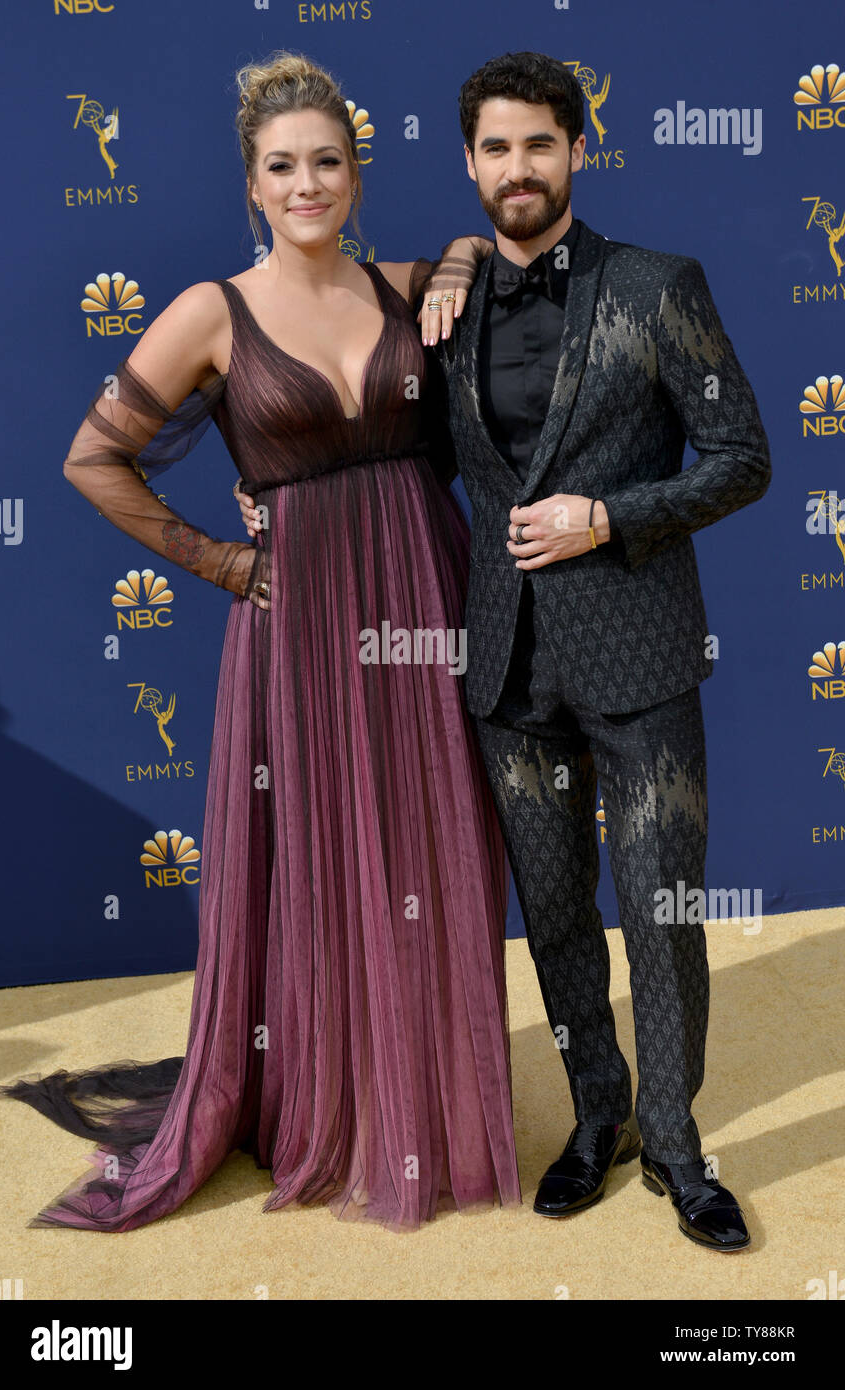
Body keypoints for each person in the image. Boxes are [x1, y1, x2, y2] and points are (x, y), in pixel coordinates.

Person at [240, 51, 774, 1253]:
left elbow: (744, 456)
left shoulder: (656, 284)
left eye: (540, 143)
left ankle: (679, 1148)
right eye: (495, 148)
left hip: (639, 663)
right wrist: (262, 488)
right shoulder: (440, 297)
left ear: (578, 149)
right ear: (469, 163)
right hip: (503, 672)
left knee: (659, 910)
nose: (517, 168)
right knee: (554, 913)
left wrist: (610, 515)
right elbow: (360, 424)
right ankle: (601, 1121)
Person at [0, 51, 523, 1233]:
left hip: (424, 601)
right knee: (325, 860)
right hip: (302, 628)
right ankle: (335, 1106)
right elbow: (92, 459)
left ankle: (428, 1107)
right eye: (283, 166)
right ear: (251, 183)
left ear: (355, 170)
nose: (306, 183)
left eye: (326, 161)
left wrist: (467, 256)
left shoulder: (403, 284)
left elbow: (478, 256)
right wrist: (229, 562)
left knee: (433, 855)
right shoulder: (209, 313)